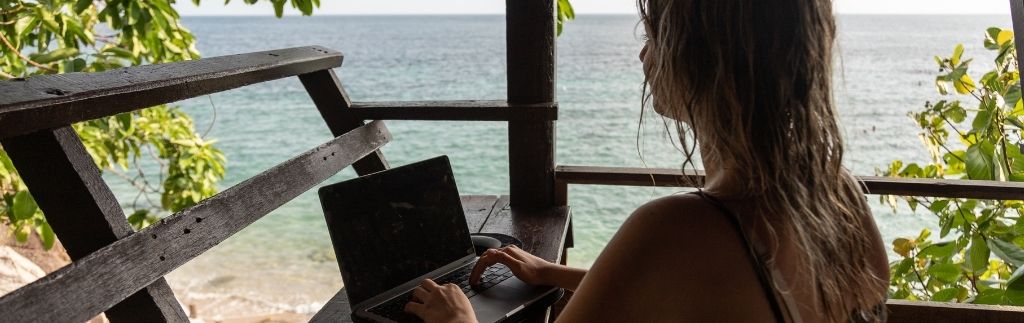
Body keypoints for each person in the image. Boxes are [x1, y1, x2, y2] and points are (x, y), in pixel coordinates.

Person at [403, 0, 890, 322]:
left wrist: (459, 319)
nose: (643, 54)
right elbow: (706, 293)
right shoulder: (840, 196)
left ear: (702, 60)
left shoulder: (678, 228)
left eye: (655, 35)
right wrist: (553, 272)